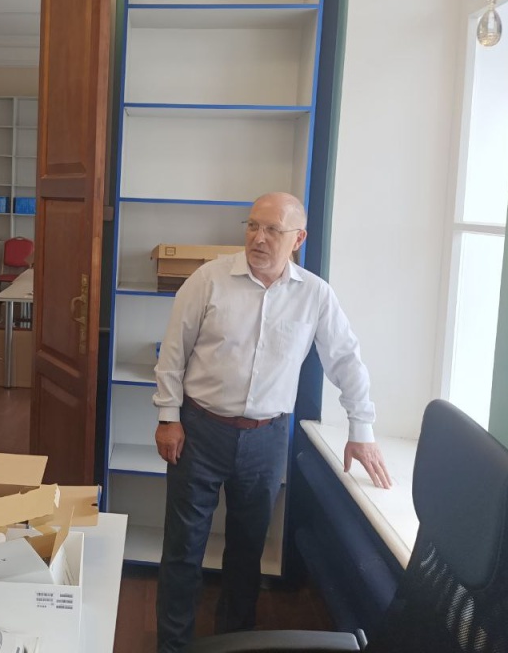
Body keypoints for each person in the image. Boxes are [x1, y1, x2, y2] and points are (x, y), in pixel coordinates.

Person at [153, 191, 392, 652]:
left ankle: (233, 642)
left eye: (272, 230)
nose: (258, 238)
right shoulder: (209, 280)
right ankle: (172, 646)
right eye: (252, 226)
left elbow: (345, 360)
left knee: (247, 554)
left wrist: (361, 430)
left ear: (298, 239)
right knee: (183, 549)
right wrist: (168, 417)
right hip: (199, 430)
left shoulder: (315, 295)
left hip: (266, 440)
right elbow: (173, 352)